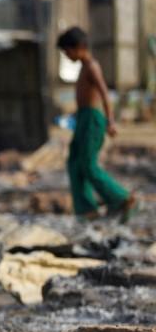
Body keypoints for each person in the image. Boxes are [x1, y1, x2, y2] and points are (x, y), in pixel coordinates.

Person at [57, 26, 136, 222]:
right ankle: (86, 210)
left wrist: (110, 121)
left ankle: (122, 198)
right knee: (74, 162)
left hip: (93, 119)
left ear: (80, 47)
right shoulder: (83, 67)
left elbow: (104, 93)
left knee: (89, 165)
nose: (67, 56)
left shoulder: (92, 66)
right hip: (84, 118)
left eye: (68, 51)